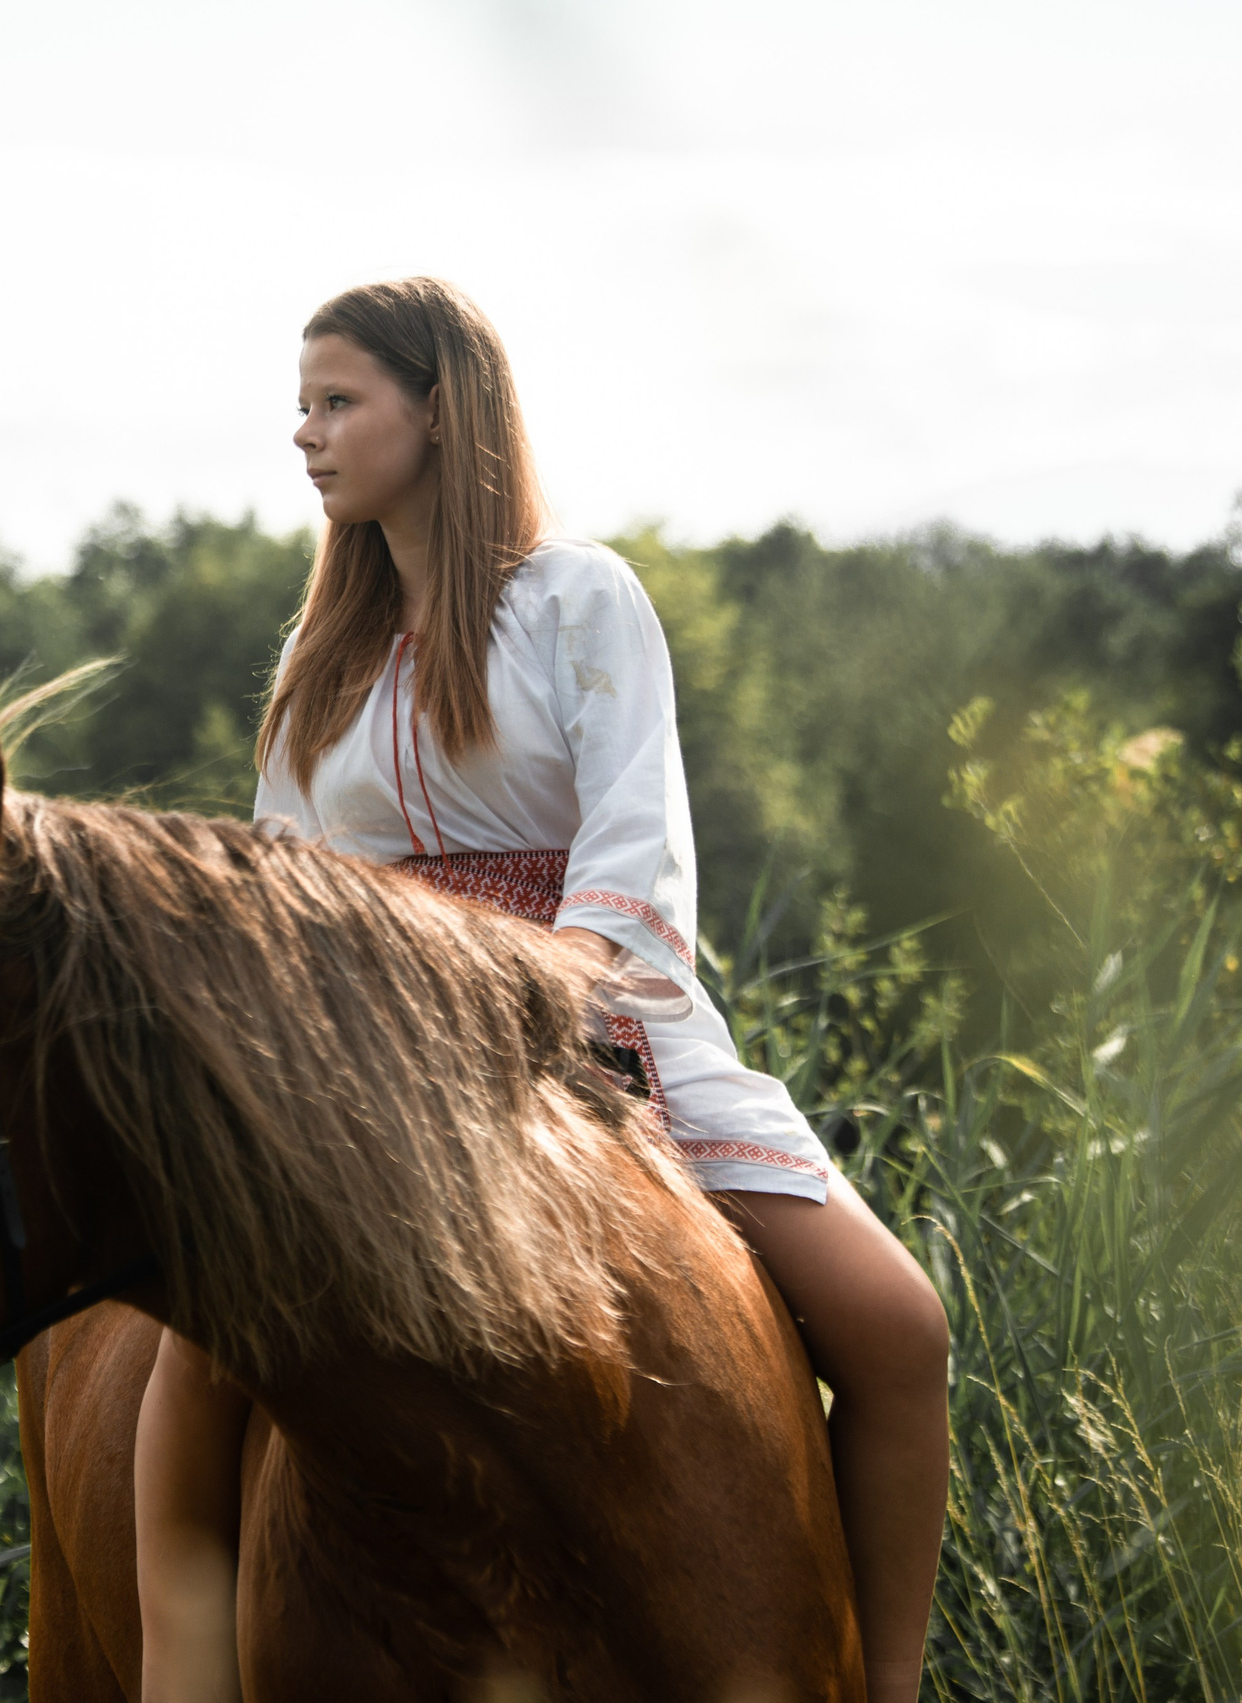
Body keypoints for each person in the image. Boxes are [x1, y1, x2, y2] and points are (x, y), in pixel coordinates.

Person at [131, 277, 952, 1703]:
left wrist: (558, 1012)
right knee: (194, 1353)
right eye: (303, 405)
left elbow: (634, 837)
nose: (306, 434)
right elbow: (283, 882)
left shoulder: (580, 601)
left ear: (440, 410)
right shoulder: (318, 658)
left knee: (898, 1330)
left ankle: (880, 1688)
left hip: (590, 1021)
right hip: (370, 1051)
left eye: (338, 402)